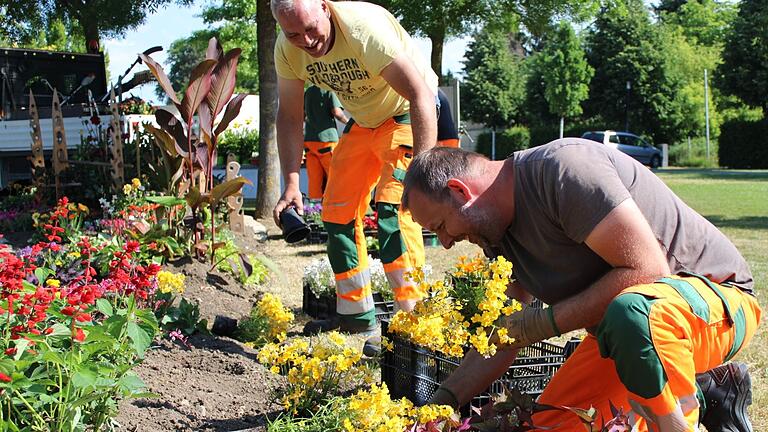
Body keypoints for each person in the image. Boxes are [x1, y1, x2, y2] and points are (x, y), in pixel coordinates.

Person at [401, 140, 761, 432]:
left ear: (459, 190)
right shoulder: (496, 236)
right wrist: (442, 401)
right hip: (627, 335)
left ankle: (680, 421)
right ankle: (711, 388)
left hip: (717, 304)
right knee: (550, 422)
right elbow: (502, 339)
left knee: (634, 313)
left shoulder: (563, 171)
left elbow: (649, 271)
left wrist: (542, 323)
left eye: (441, 226)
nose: (446, 243)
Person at [270, 0, 439, 335]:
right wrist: (291, 182)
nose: (306, 41)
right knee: (337, 213)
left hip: (407, 111)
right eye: (293, 34)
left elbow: (419, 94)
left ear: (324, 8)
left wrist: (422, 174)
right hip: (364, 122)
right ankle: (357, 317)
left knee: (394, 212)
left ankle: (417, 324)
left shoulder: (363, 30)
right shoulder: (286, 51)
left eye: (310, 28)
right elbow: (289, 115)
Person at [303, 85, 349, 201]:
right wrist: (350, 123)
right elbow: (337, 112)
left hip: (309, 140)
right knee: (335, 177)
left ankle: (315, 209)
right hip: (327, 141)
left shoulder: (308, 91)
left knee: (314, 179)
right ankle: (336, 207)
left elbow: (303, 114)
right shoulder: (329, 90)